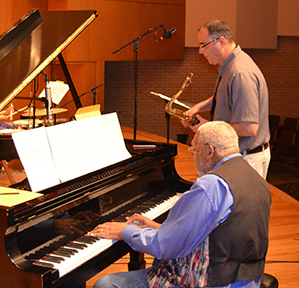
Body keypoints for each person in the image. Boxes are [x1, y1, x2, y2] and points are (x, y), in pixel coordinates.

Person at [91, 121, 271, 288]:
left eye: (195, 150)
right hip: (245, 280)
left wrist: (125, 231)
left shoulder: (211, 185)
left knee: (106, 283)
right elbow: (220, 234)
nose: (194, 156)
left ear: (209, 150)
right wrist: (158, 227)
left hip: (211, 281)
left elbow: (165, 247)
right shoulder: (257, 179)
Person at [181, 19, 271, 179]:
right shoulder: (229, 67)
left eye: (203, 45)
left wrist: (208, 127)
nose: (200, 51)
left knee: (240, 205)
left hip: (247, 159)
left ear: (221, 41)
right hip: (239, 157)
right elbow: (223, 96)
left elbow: (250, 128)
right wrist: (197, 107)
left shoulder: (240, 73)